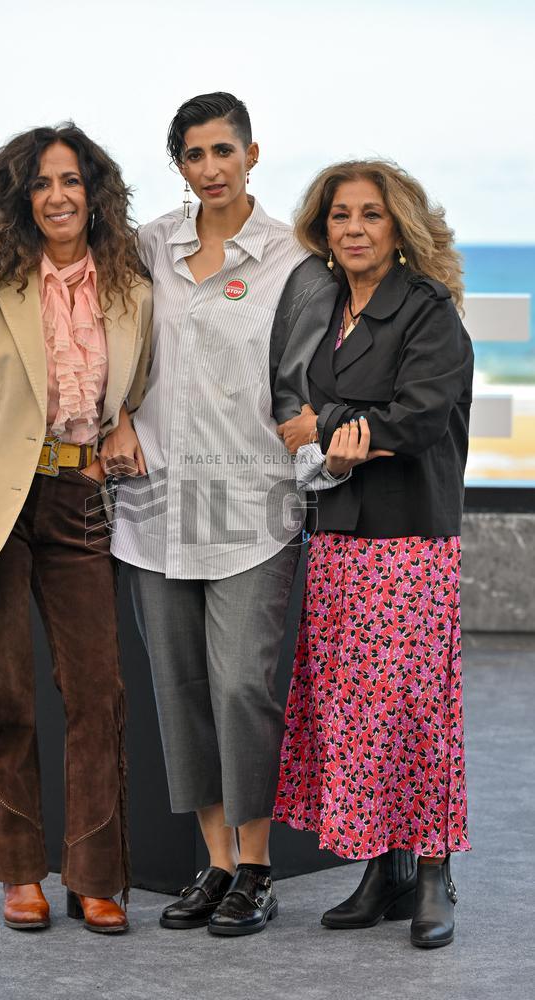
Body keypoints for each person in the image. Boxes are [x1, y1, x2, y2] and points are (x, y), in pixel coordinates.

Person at [104, 92, 342, 937]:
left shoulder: (292, 261)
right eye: (194, 155)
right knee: (182, 690)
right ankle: (212, 862)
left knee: (244, 687)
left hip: (253, 502)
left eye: (223, 152)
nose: (211, 169)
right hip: (157, 505)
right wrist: (116, 417)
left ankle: (257, 865)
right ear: (179, 165)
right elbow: (105, 343)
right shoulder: (143, 251)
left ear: (252, 154)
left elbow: (312, 376)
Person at [0, 123, 152, 934]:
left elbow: (143, 386)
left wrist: (126, 426)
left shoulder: (131, 289)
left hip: (77, 498)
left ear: (95, 192)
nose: (58, 196)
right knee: (4, 696)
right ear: (21, 200)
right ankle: (17, 871)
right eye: (42, 184)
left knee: (97, 695)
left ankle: (94, 875)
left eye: (72, 181)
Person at [271, 159, 473, 949]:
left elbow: (416, 416)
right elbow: (308, 408)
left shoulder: (426, 311)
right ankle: (384, 871)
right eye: (339, 216)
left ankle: (432, 872)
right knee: (356, 711)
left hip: (409, 538)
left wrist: (324, 428)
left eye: (371, 215)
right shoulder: (326, 308)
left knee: (417, 708)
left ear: (399, 229)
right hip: (337, 536)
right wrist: (331, 433)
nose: (353, 228)